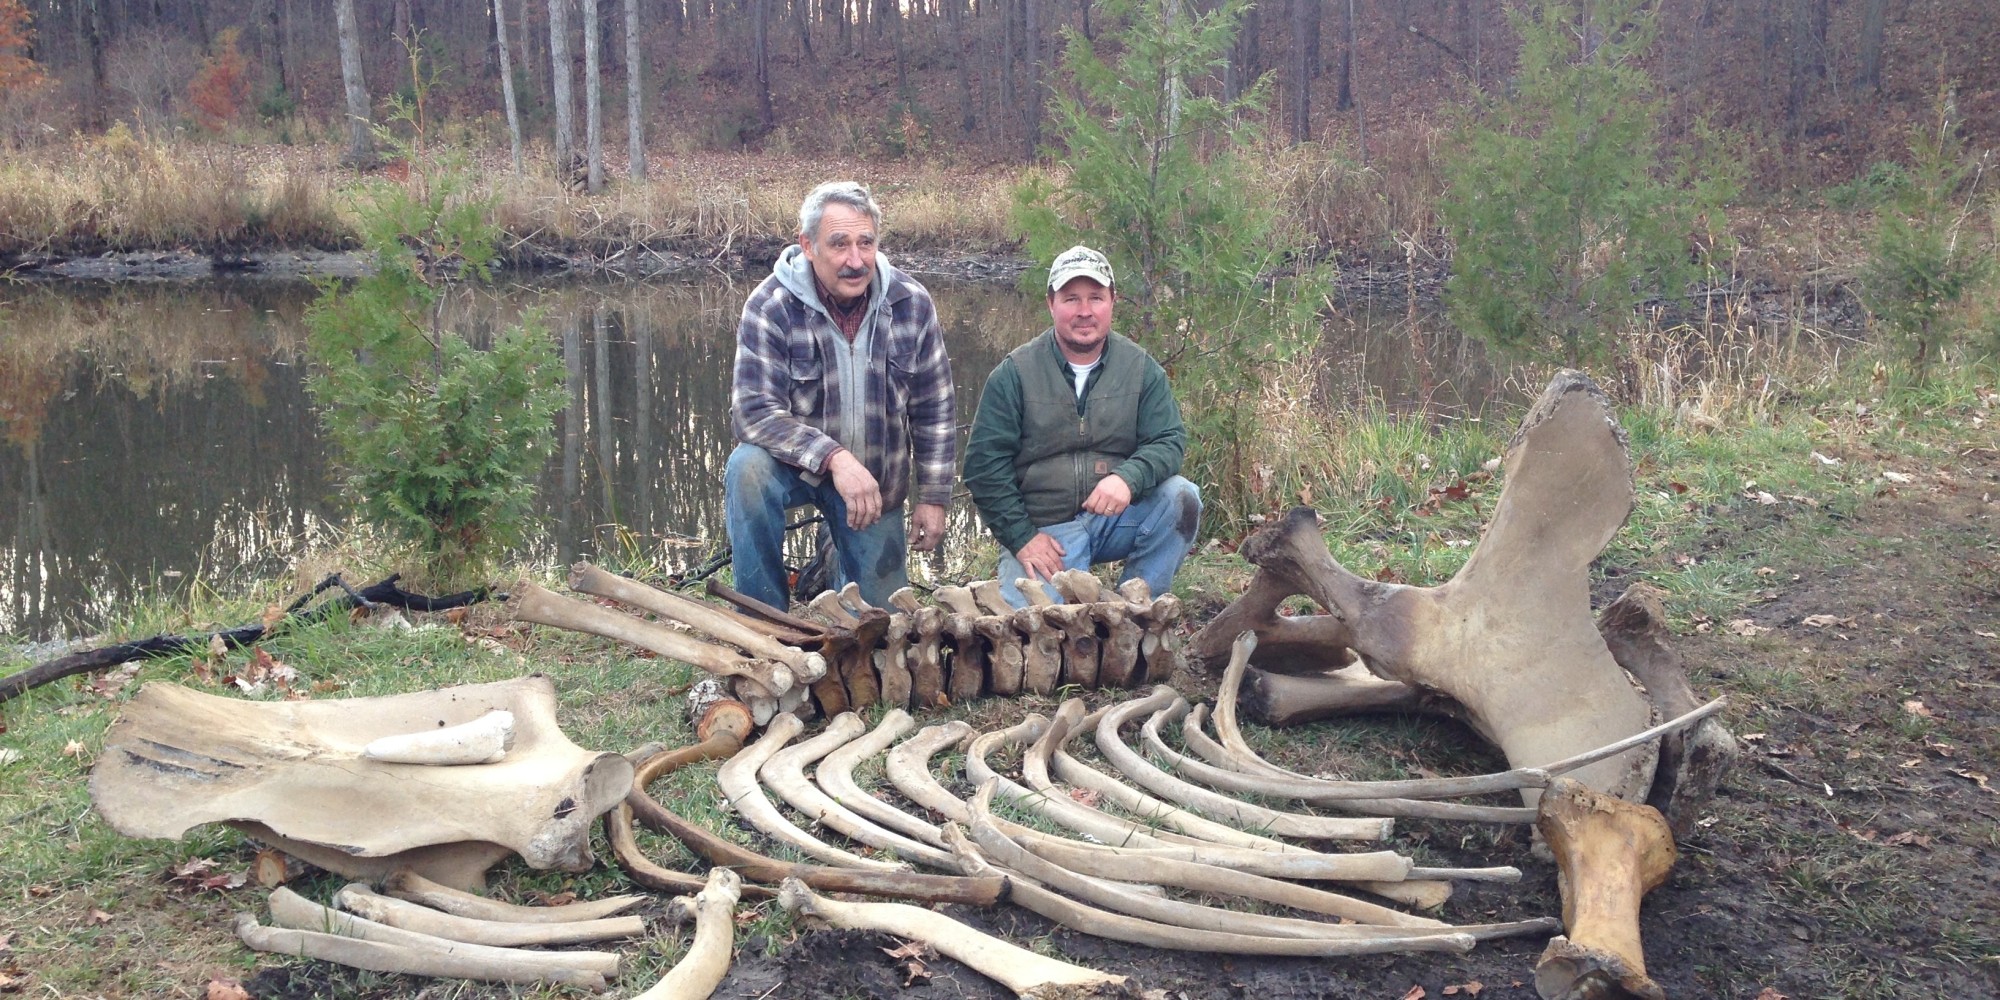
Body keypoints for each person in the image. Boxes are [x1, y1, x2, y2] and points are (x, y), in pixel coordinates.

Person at [725, 181, 955, 609]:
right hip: (794, 468)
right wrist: (834, 458)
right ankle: (763, 617)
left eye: (865, 243)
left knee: (886, 624)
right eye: (839, 244)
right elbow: (753, 412)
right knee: (747, 469)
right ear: (808, 246)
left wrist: (934, 497)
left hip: (874, 483)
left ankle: (836, 563)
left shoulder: (911, 303)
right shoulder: (770, 305)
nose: (855, 261)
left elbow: (934, 409)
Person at [963, 245, 1202, 608]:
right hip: (1046, 532)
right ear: (1051, 303)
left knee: (1181, 496)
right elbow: (984, 467)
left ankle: (1138, 606)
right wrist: (1022, 537)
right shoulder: (1014, 374)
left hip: (1116, 520)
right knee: (1032, 635)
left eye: (1096, 297)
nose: (1085, 311)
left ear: (1113, 301)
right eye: (1071, 298)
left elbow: (1168, 440)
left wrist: (1127, 478)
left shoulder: (1140, 368)